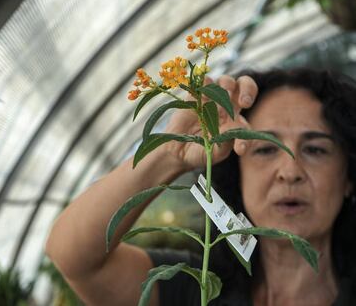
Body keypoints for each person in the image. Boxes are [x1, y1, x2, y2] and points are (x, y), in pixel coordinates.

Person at [45, 67, 356, 306]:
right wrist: (171, 152)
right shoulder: (200, 286)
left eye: (315, 150)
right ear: (238, 171)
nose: (290, 172)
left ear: (349, 177)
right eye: (264, 148)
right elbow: (75, 258)